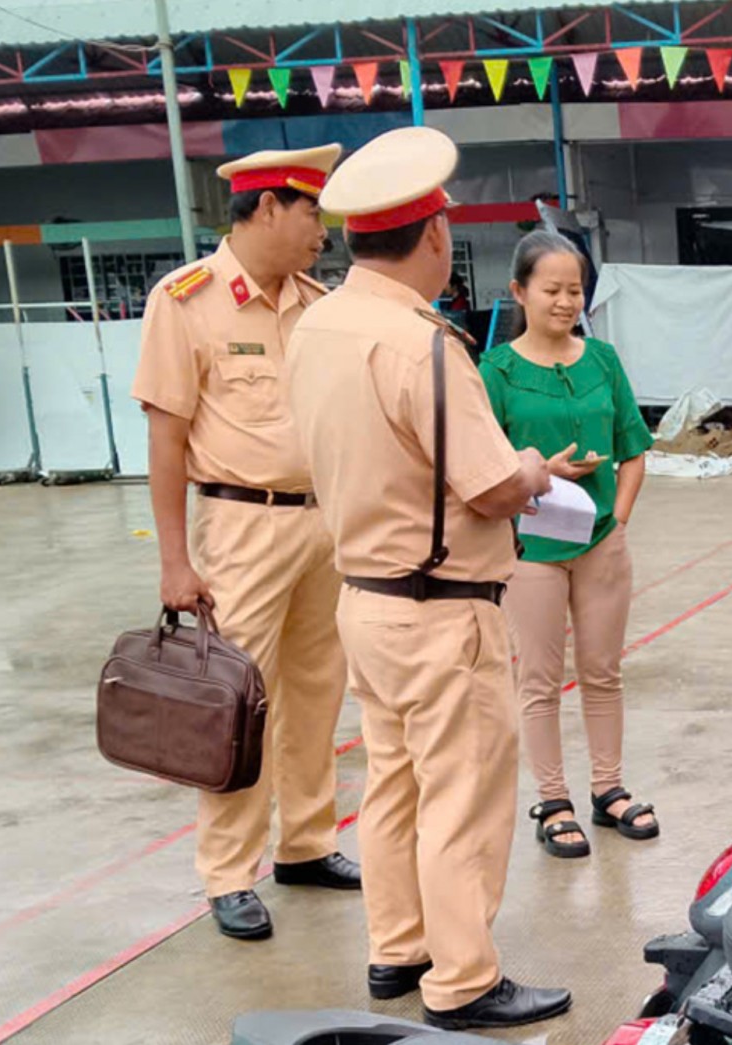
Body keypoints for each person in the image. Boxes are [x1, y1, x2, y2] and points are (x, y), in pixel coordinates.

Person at [284, 126, 571, 1029]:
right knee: (463, 793)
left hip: (364, 597)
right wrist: (532, 467)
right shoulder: (422, 344)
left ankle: (397, 948)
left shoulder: (317, 324)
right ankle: (463, 980)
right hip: (444, 607)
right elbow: (487, 484)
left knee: (395, 784)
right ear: (437, 234)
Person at [131, 144, 359, 942]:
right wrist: (174, 560)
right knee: (237, 704)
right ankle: (230, 873)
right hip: (241, 525)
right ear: (267, 208)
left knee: (316, 690)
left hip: (322, 522)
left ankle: (306, 842)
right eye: (310, 214)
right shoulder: (187, 300)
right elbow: (167, 439)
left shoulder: (313, 301)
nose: (321, 232)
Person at [479, 231, 658, 860]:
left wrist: (621, 518)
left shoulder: (602, 360)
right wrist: (541, 475)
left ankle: (607, 789)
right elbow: (484, 468)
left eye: (574, 290)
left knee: (604, 673)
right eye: (551, 290)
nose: (564, 302)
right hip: (529, 549)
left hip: (601, 540)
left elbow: (633, 448)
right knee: (539, 678)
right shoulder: (495, 372)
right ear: (519, 293)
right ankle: (553, 800)